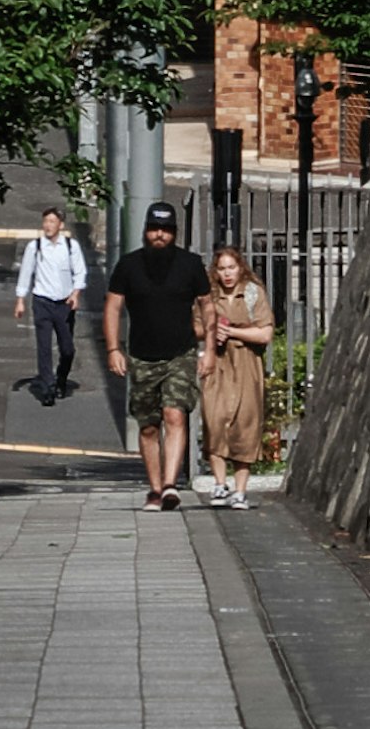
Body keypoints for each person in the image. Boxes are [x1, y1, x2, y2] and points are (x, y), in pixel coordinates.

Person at [105, 199, 203, 507]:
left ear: (175, 233)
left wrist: (209, 349)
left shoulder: (191, 265)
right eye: (154, 229)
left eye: (166, 230)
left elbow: (208, 307)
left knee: (175, 414)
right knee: (148, 426)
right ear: (145, 231)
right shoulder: (129, 266)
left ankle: (171, 485)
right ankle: (156, 488)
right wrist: (113, 348)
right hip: (142, 355)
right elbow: (112, 306)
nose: (159, 235)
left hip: (180, 353)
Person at [196, 244, 273, 505]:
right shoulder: (208, 296)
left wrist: (233, 332)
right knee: (214, 419)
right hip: (217, 361)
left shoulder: (253, 293)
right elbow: (195, 326)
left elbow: (265, 333)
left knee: (246, 424)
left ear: (240, 268)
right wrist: (211, 330)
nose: (227, 274)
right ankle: (220, 484)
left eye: (231, 267)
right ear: (215, 272)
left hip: (247, 362)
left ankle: (240, 490)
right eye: (222, 269)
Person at [19, 203, 88, 408]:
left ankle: (61, 379)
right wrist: (20, 299)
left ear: (61, 224)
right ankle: (47, 387)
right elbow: (26, 273)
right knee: (44, 347)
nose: (48, 225)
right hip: (42, 302)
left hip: (64, 303)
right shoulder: (36, 246)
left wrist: (76, 293)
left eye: (52, 221)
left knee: (67, 349)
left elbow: (80, 272)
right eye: (45, 221)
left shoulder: (70, 246)